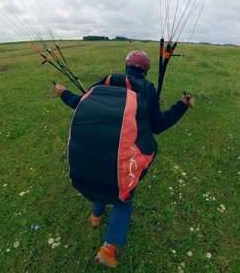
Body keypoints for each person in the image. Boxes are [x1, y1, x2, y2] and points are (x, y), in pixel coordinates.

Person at [53, 50, 194, 268]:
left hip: (94, 151)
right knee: (123, 199)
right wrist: (182, 105)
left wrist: (63, 92)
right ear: (145, 70)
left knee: (102, 175)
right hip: (121, 157)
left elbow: (80, 103)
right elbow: (158, 125)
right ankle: (108, 249)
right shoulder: (146, 89)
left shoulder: (106, 82)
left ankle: (96, 217)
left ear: (126, 65)